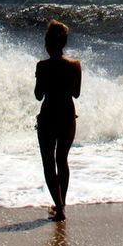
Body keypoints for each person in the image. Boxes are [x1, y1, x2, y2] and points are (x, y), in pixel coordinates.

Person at [35, 20, 81, 221]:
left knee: (48, 162)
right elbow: (76, 94)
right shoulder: (75, 65)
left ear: (47, 42)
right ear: (63, 43)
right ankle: (61, 205)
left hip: (48, 116)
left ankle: (59, 207)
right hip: (68, 115)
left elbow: (38, 95)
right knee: (62, 160)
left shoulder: (42, 66)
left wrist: (43, 80)